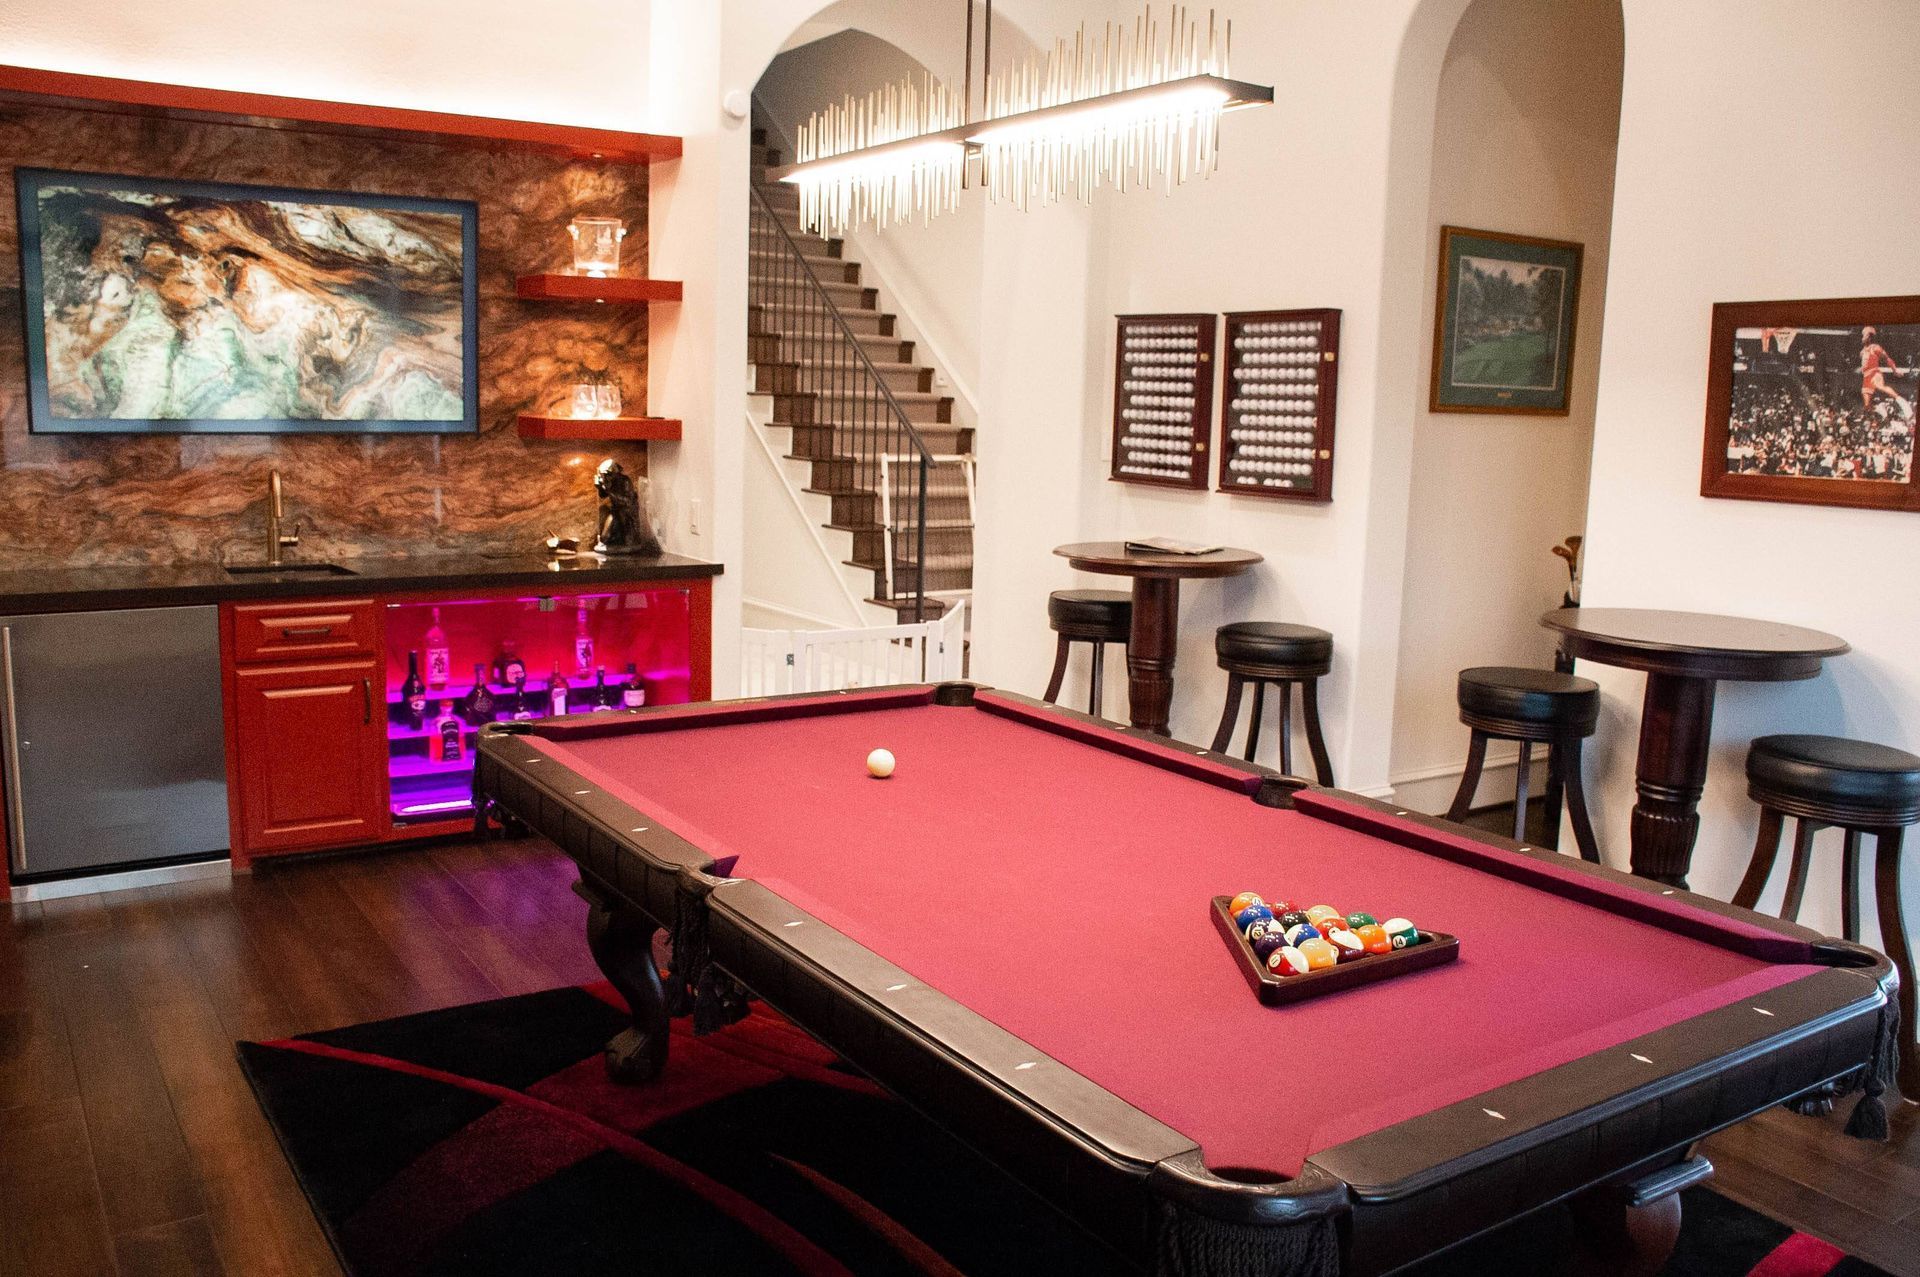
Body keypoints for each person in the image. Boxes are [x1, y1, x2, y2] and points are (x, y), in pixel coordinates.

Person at [1859, 326, 1914, 420]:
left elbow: (1887, 359)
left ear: (1870, 337)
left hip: (1874, 372)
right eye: (1863, 335)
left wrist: (1895, 370)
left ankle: (1903, 403)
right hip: (1866, 376)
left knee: (1880, 387)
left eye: (1866, 335)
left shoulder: (1875, 348)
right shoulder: (1862, 352)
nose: (1864, 337)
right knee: (1867, 406)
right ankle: (1879, 408)